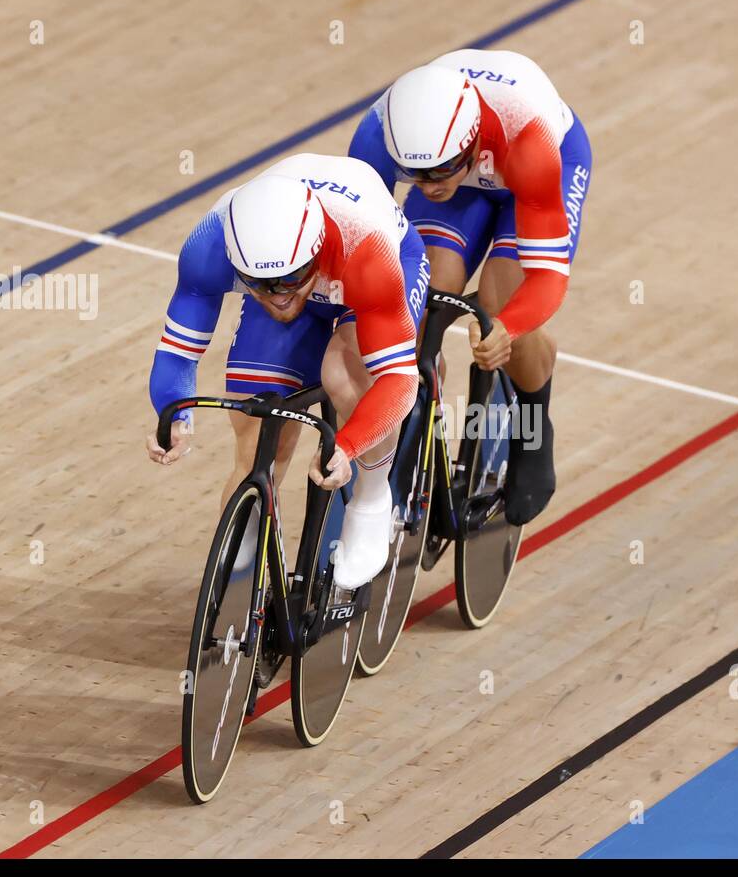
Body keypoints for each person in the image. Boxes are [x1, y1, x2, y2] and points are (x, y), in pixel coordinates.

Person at [145, 154, 430, 589]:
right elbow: (178, 352)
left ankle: (372, 500)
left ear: (313, 252)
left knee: (343, 371)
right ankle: (252, 558)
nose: (277, 296)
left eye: (289, 279)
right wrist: (174, 415)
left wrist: (348, 447)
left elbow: (399, 381)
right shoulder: (210, 245)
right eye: (260, 284)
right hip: (311, 272)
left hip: (369, 277)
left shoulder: (366, 248)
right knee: (260, 429)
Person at [349, 48, 591, 525]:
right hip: (473, 173)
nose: (426, 184)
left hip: (536, 173)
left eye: (438, 171)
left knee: (503, 304)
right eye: (413, 174)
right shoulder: (378, 134)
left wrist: (508, 325)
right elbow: (361, 240)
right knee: (422, 295)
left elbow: (547, 278)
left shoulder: (530, 139)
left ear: (469, 143)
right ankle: (415, 411)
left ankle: (533, 427)